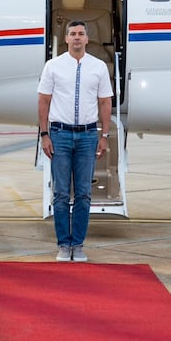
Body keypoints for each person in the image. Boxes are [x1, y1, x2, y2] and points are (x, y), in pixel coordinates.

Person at [37, 20, 113, 262]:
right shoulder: (53, 66)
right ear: (66, 38)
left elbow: (105, 102)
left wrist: (104, 135)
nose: (77, 37)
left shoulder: (99, 67)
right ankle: (63, 244)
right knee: (60, 193)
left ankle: (77, 244)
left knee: (83, 193)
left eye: (81, 34)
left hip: (88, 136)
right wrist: (44, 134)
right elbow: (43, 101)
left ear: (87, 39)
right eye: (73, 34)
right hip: (59, 134)